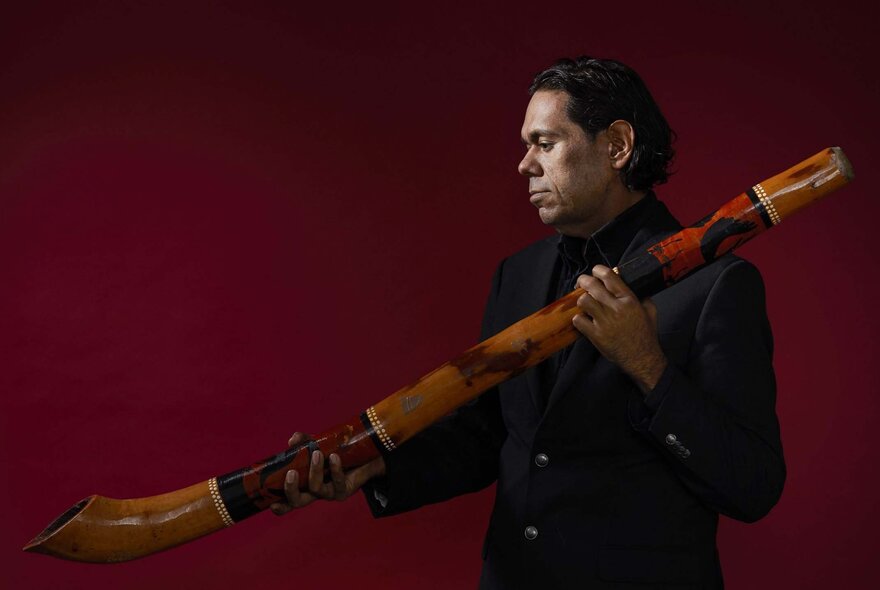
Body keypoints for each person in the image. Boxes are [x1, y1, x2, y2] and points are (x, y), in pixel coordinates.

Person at [271, 56, 786, 588]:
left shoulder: (716, 285)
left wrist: (646, 366)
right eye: (526, 145)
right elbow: (490, 434)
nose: (524, 165)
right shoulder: (518, 274)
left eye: (545, 143)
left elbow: (752, 485)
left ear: (616, 146)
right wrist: (376, 466)